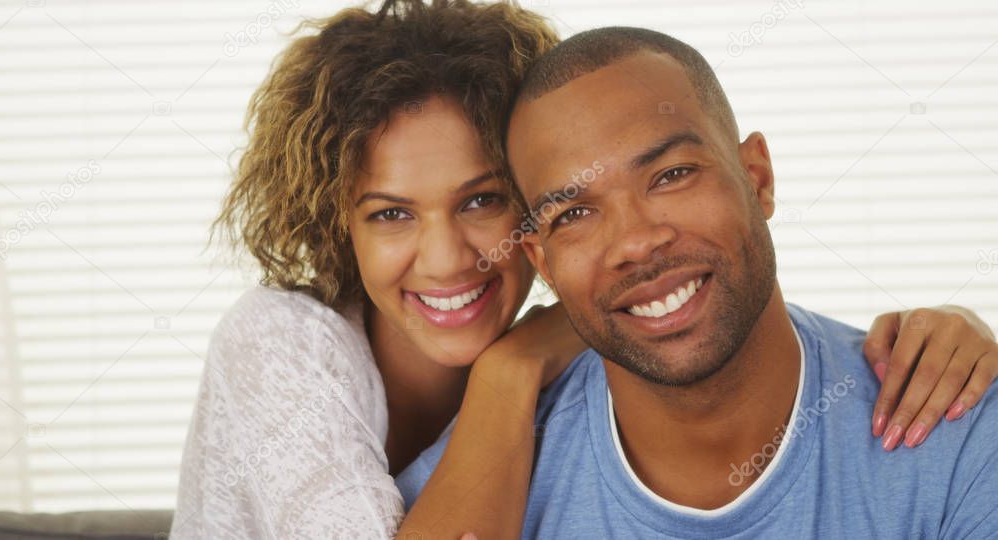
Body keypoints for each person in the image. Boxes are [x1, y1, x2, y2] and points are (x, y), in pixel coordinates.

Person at [170, 2, 998, 537]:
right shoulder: (284, 351)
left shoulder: (943, 430)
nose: (450, 255)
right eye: (390, 212)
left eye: (482, 200)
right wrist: (511, 365)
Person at [396, 26, 998, 538]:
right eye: (573, 213)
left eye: (672, 174)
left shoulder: (959, 431)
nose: (635, 241)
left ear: (756, 178)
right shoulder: (467, 487)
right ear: (542, 262)